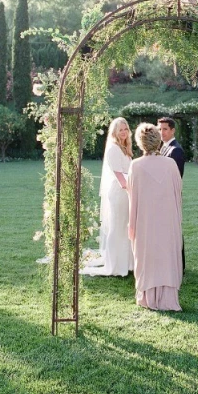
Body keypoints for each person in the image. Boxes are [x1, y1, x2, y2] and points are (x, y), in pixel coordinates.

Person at [128, 123, 183, 311]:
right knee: (166, 255)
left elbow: (132, 197)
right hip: (167, 219)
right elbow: (178, 192)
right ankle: (168, 298)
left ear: (140, 143)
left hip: (145, 220)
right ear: (158, 141)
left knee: (148, 255)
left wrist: (132, 225)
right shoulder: (170, 164)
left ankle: (148, 297)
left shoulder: (135, 165)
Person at [81, 117, 134, 277]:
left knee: (125, 227)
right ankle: (115, 265)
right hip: (119, 192)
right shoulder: (113, 149)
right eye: (121, 130)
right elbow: (120, 177)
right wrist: (133, 189)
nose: (124, 132)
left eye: (126, 129)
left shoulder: (125, 147)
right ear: (115, 132)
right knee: (117, 227)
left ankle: (127, 262)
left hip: (126, 191)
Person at [157, 116, 186, 271]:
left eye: (165, 129)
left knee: (174, 230)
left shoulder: (176, 151)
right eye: (159, 129)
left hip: (171, 195)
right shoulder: (163, 147)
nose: (162, 132)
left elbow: (176, 178)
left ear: (173, 130)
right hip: (164, 196)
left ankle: (179, 265)